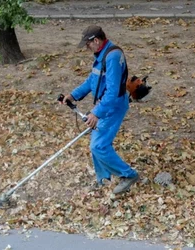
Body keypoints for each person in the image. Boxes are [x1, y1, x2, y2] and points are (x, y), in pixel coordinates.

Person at [61, 25, 139, 194]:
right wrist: (73, 95)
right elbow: (92, 80)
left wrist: (96, 113)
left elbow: (112, 92)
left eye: (87, 44)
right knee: (96, 144)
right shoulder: (101, 55)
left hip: (113, 106)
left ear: (96, 40)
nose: (87, 48)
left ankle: (128, 175)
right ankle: (103, 180)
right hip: (104, 105)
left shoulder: (112, 56)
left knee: (99, 146)